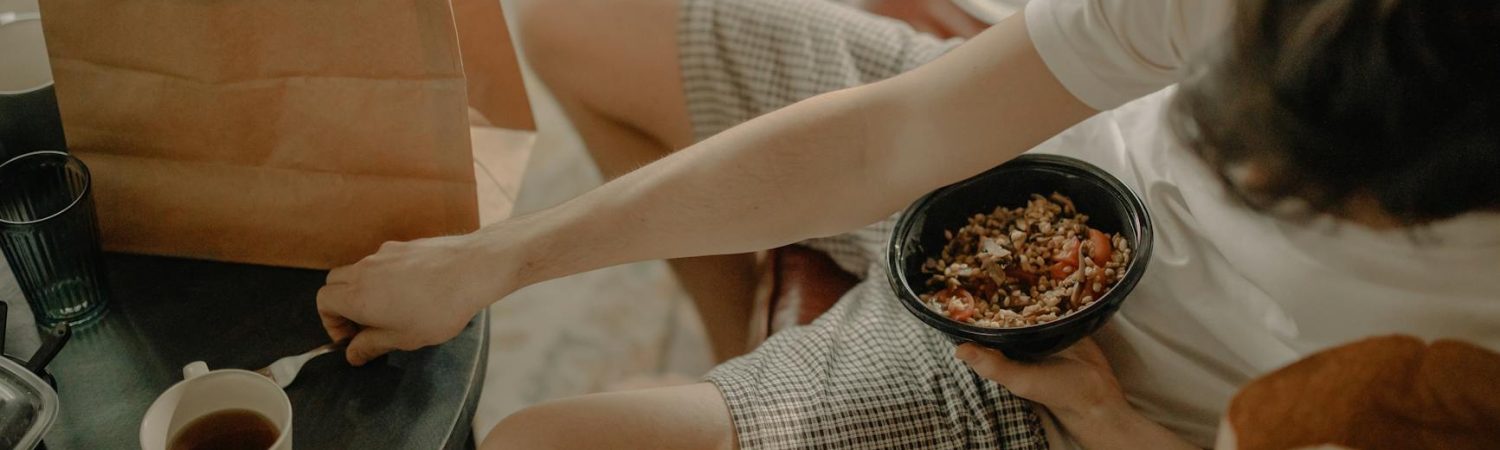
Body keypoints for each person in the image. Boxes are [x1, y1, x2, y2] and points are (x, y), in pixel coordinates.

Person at [314, 0, 1500, 448]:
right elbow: (894, 138)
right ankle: (748, 356)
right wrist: (502, 258)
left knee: (543, 445)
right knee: (582, 19)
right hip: (1051, 165)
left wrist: (1109, 421)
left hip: (1099, 392)